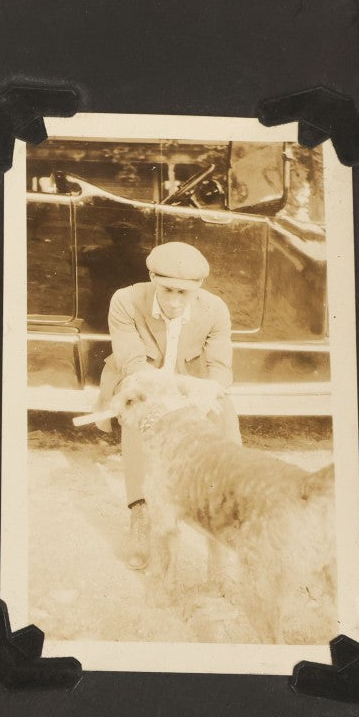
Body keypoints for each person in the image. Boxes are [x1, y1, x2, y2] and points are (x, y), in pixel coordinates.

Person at [96, 241, 241, 565]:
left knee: (223, 409)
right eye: (167, 290)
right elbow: (133, 364)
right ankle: (141, 512)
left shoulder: (215, 309)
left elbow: (220, 368)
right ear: (152, 278)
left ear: (198, 287)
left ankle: (227, 505)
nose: (174, 302)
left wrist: (207, 390)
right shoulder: (125, 300)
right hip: (141, 378)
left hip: (190, 380)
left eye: (183, 293)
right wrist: (171, 393)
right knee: (140, 410)